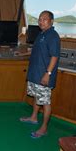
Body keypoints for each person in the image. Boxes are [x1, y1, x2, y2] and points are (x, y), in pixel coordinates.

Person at [20, 10, 60, 138]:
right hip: (35, 74)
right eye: (39, 19)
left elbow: (54, 56)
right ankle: (33, 117)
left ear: (51, 21)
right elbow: (37, 49)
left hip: (43, 75)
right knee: (37, 97)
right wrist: (23, 53)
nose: (41, 21)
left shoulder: (53, 35)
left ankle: (44, 128)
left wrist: (48, 73)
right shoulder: (41, 34)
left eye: (44, 19)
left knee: (45, 101)